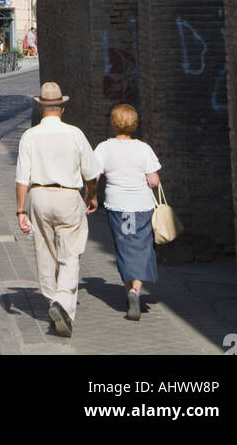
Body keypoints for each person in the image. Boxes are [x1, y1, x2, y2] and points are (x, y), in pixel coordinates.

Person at [15, 81, 100, 337]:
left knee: (45, 251)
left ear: (41, 108)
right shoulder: (75, 134)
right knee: (70, 254)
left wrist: (20, 210)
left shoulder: (29, 136)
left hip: (39, 196)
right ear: (62, 107)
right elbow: (91, 174)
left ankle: (52, 301)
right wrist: (92, 196)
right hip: (68, 195)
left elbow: (22, 178)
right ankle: (63, 303)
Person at [93, 103, 161, 321]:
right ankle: (136, 290)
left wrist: (91, 196)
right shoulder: (143, 148)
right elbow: (153, 180)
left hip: (117, 205)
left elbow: (93, 177)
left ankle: (127, 289)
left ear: (113, 123)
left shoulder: (104, 148)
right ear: (134, 124)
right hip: (141, 205)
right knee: (141, 246)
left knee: (123, 246)